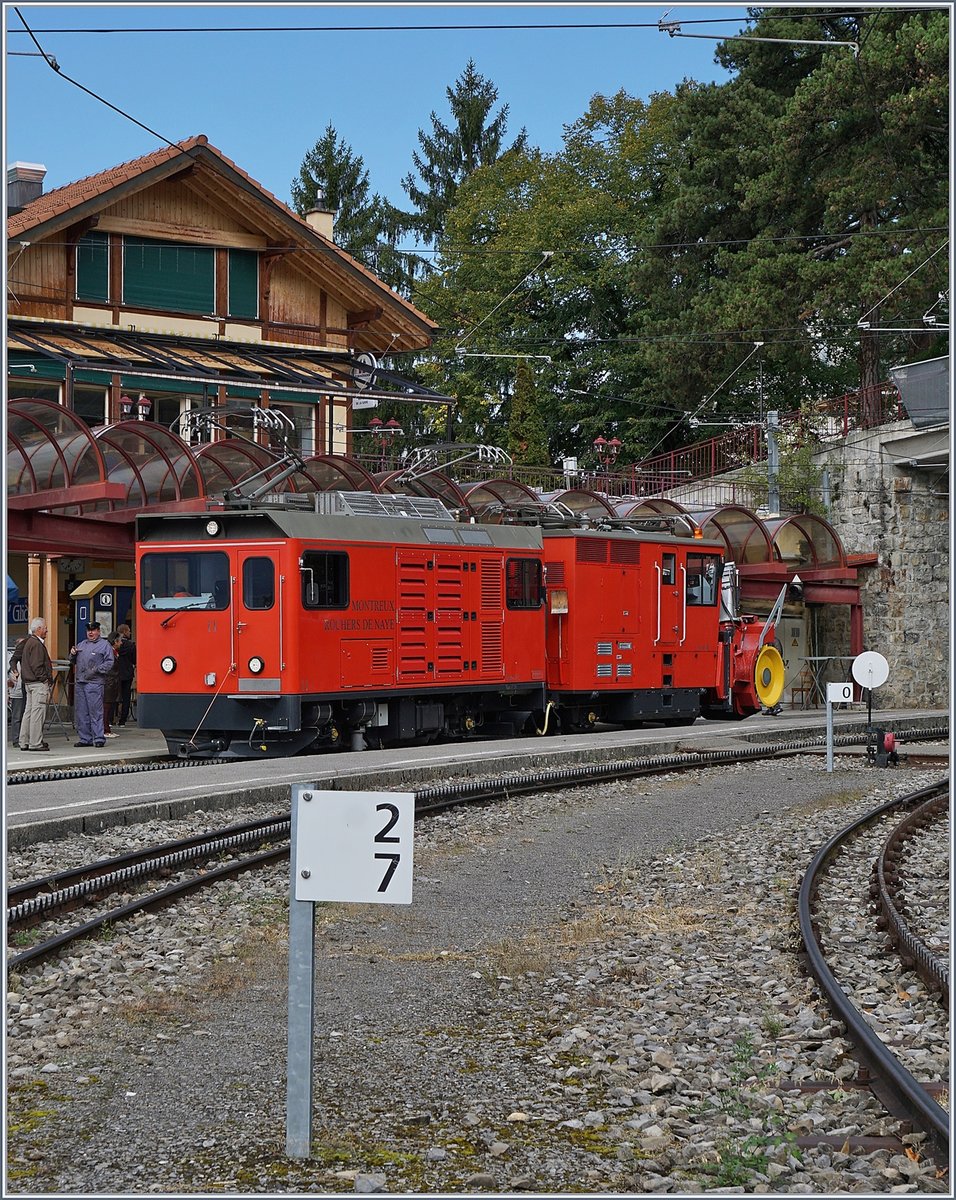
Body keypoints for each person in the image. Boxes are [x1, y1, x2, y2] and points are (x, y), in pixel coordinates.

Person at [70, 622, 115, 748]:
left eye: (93, 630)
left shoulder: (104, 645)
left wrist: (97, 670)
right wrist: (72, 654)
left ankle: (99, 738)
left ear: (99, 631)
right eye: (89, 630)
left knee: (96, 712)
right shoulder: (81, 644)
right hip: (81, 682)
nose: (90, 633)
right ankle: (85, 739)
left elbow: (110, 662)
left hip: (95, 683)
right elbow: (72, 661)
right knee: (82, 712)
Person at [19, 617, 54, 752]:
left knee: (28, 712)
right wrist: (45, 679)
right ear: (39, 629)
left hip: (28, 683)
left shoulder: (29, 642)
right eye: (45, 628)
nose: (47, 630)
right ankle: (35, 742)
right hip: (37, 683)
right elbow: (37, 665)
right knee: (37, 714)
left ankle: (24, 741)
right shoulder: (37, 644)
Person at [7, 635, 27, 748]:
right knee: (17, 716)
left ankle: (23, 738)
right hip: (17, 691)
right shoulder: (11, 659)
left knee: (24, 715)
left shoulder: (28, 657)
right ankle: (16, 739)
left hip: (26, 690)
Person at [115, 624, 137, 726]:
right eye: (128, 631)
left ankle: (111, 719)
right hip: (127, 673)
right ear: (124, 631)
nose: (130, 632)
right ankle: (122, 721)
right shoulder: (131, 645)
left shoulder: (113, 644)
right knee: (126, 697)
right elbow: (134, 659)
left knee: (113, 696)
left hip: (115, 673)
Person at [102, 636, 122, 737]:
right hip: (109, 682)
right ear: (115, 642)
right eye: (120, 641)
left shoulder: (113, 652)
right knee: (106, 707)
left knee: (108, 707)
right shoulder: (110, 653)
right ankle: (105, 729)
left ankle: (107, 728)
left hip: (111, 682)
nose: (121, 643)